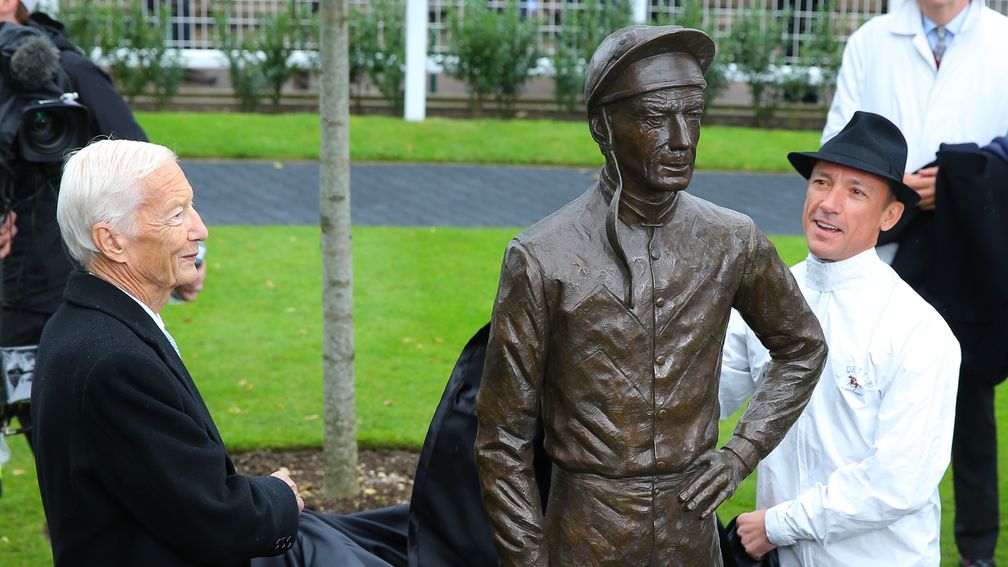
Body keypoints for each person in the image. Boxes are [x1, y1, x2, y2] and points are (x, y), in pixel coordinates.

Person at [475, 25, 828, 566]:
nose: (682, 139)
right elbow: (502, 437)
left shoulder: (732, 240)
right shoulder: (543, 256)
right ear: (602, 127)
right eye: (655, 117)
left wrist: (740, 452)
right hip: (586, 530)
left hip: (691, 531)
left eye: (693, 115)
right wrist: (527, 560)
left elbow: (802, 347)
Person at [31, 139, 409, 567]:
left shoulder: (89, 323)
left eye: (191, 207)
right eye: (176, 214)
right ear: (112, 241)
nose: (200, 228)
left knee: (397, 531)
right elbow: (216, 519)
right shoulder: (111, 360)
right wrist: (279, 494)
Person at [719, 111, 961, 566]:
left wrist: (778, 524)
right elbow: (703, 394)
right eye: (822, 182)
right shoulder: (767, 301)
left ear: (890, 215)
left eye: (856, 192)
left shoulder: (918, 332)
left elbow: (897, 481)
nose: (830, 203)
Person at [823, 0, 1008, 563]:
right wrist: (891, 181)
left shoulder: (1003, 40)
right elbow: (838, 138)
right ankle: (844, 528)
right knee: (859, 394)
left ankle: (976, 550)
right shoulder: (872, 40)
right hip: (885, 246)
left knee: (969, 406)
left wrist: (953, 180)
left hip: (967, 251)